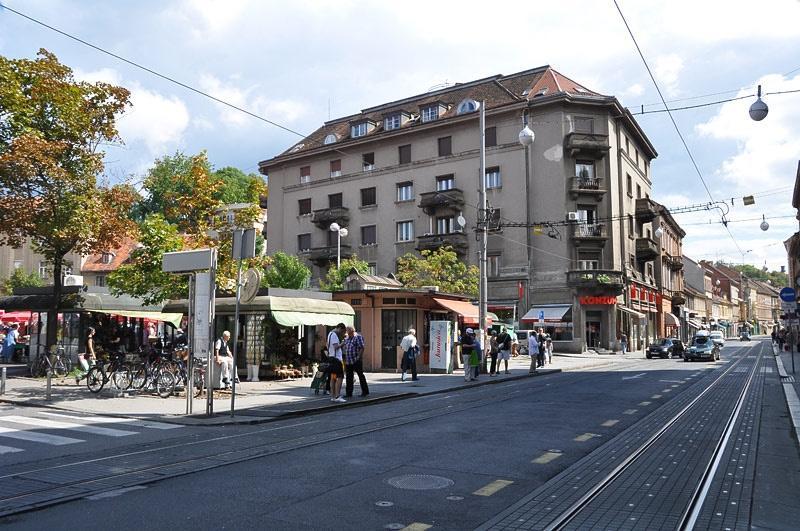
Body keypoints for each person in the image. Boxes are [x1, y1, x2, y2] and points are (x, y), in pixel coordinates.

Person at [343, 325, 369, 398]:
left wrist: (358, 357)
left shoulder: (358, 337)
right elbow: (345, 345)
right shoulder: (347, 338)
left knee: (360, 375)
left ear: (351, 330)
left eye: (347, 330)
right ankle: (349, 393)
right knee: (349, 377)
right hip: (348, 360)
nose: (346, 332)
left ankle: (365, 391)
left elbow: (362, 347)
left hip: (356, 360)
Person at [327, 323, 347, 402]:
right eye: (342, 331)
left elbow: (328, 345)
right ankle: (337, 395)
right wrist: (342, 343)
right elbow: (336, 347)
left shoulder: (329, 334)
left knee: (333, 378)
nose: (342, 333)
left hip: (331, 357)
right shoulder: (334, 335)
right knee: (340, 377)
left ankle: (333, 396)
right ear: (339, 328)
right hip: (336, 359)